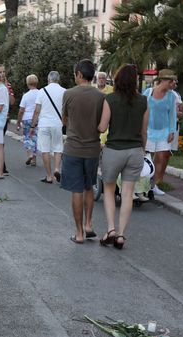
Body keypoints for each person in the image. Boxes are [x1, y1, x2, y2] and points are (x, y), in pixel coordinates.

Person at [96, 64, 149, 250]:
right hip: (135, 151)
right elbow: (144, 131)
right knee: (128, 194)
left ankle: (110, 229)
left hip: (114, 150)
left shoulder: (110, 99)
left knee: (109, 190)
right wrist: (143, 149)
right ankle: (121, 235)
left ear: (117, 80)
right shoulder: (143, 101)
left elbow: (102, 127)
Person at [61, 59, 105, 244]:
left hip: (73, 148)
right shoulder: (100, 96)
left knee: (76, 190)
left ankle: (79, 233)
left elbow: (64, 120)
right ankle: (89, 224)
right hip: (93, 149)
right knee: (88, 187)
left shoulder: (69, 94)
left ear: (79, 74)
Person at [142, 69, 177, 194]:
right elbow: (141, 111)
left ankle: (155, 184)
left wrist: (172, 131)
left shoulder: (171, 96)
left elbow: (172, 114)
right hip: (149, 130)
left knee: (162, 157)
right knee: (147, 157)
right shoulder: (148, 93)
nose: (172, 83)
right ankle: (144, 183)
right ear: (162, 80)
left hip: (164, 131)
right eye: (170, 81)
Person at [30, 70, 65, 184]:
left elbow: (36, 111)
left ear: (48, 79)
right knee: (58, 148)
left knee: (45, 150)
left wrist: (32, 125)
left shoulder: (42, 91)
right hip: (57, 124)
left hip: (44, 124)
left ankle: (49, 176)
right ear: (58, 79)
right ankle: (56, 169)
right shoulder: (64, 91)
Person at [15, 74, 39, 167]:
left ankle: (30, 155)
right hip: (37, 118)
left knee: (27, 137)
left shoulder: (26, 95)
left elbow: (21, 110)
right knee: (35, 138)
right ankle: (34, 160)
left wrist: (18, 121)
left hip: (26, 118)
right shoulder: (41, 93)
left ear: (27, 83)